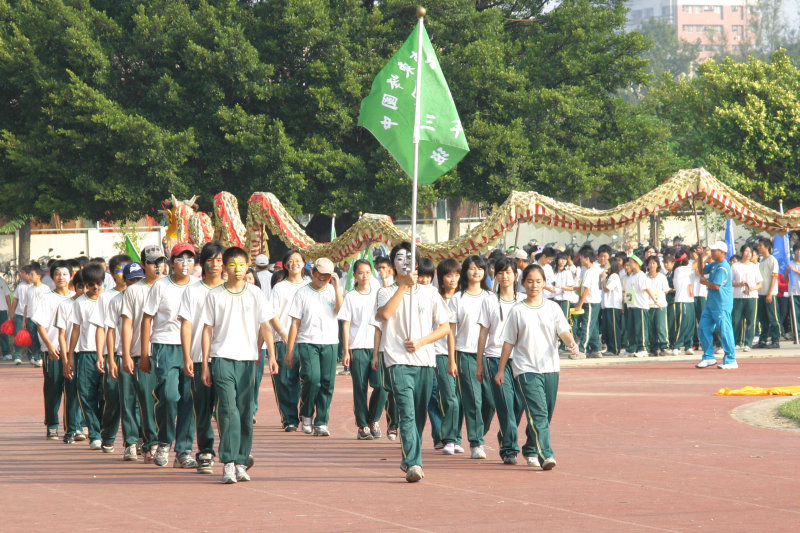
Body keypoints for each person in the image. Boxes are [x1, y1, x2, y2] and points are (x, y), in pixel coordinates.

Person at [373, 242, 451, 482]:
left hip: (425, 361)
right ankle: (415, 464)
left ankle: (408, 456)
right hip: (397, 360)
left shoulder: (430, 293)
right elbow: (385, 314)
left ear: (416, 263)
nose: (404, 262)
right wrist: (404, 287)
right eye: (399, 258)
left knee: (418, 416)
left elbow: (445, 327)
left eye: (409, 259)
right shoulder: (385, 292)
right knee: (406, 413)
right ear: (393, 264)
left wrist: (422, 341)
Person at [201, 246, 278, 484]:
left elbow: (266, 326)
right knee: (228, 409)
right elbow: (207, 330)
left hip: (247, 360)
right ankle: (229, 462)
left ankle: (242, 461)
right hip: (222, 358)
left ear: (247, 267)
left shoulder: (255, 294)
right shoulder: (215, 295)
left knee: (245, 412)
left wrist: (272, 355)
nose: (237, 269)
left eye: (241, 265)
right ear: (225, 267)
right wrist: (205, 364)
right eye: (232, 265)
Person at [495, 264, 579, 471]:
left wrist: (571, 342)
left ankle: (531, 448)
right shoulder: (518, 310)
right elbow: (508, 342)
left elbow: (563, 331)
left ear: (544, 283)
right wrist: (501, 369)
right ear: (523, 283)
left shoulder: (553, 308)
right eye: (530, 281)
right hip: (526, 369)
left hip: (550, 367)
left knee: (545, 413)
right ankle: (546, 454)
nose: (534, 285)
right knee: (538, 413)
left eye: (538, 281)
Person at [140, 242, 199, 468]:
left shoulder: (198, 286)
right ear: (171, 263)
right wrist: (144, 353)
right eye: (180, 259)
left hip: (192, 348)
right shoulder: (161, 286)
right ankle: (164, 441)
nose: (185, 264)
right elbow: (147, 318)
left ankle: (184, 450)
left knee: (188, 399)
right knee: (169, 395)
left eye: (190, 259)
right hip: (165, 345)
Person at [476, 257, 536, 465]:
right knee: (504, 403)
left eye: (508, 272)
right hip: (495, 357)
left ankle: (505, 434)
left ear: (516, 275)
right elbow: (483, 332)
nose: (504, 276)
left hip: (521, 357)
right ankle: (510, 449)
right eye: (500, 272)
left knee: (519, 404)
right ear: (495, 275)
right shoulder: (489, 301)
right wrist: (479, 362)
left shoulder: (524, 299)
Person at [178, 241, 226, 473]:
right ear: (203, 263)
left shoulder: (231, 289)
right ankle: (205, 451)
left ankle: (232, 450)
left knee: (228, 407)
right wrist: (187, 355)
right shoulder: (192, 291)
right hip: (200, 358)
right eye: (210, 260)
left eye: (219, 260)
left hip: (227, 356)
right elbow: (186, 324)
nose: (215, 265)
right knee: (203, 407)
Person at [285, 257, 343, 436]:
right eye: (319, 274)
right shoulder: (302, 293)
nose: (322, 278)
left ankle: (322, 421)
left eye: (327, 276)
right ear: (313, 272)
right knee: (312, 378)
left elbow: (340, 311)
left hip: (330, 342)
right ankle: (307, 413)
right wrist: (289, 350)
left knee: (327, 382)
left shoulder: (333, 291)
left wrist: (337, 287)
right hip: (307, 341)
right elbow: (295, 323)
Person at [121, 244, 166, 461]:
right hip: (142, 353)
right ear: (142, 265)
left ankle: (167, 441)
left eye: (161, 262)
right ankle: (152, 442)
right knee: (147, 400)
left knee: (170, 399)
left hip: (169, 350)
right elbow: (127, 324)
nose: (157, 267)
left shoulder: (172, 287)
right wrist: (127, 354)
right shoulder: (133, 291)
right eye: (152, 263)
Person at [449, 255, 495, 460]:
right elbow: (451, 331)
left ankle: (478, 431)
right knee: (474, 400)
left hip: (489, 355)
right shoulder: (457, 298)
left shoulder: (491, 297)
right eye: (472, 268)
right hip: (465, 353)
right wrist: (452, 359)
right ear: (465, 271)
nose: (476, 272)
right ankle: (476, 443)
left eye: (480, 268)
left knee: (490, 401)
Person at [338, 259, 385, 440]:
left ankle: (373, 419)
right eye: (360, 273)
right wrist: (346, 350)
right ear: (355, 275)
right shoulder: (351, 296)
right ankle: (362, 425)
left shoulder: (378, 294)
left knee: (381, 386)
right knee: (360, 387)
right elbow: (346, 324)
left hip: (377, 347)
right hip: (357, 347)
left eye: (367, 272)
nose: (364, 276)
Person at [89, 254, 131, 454]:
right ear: (112, 274)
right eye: (119, 270)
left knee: (135, 399)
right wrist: (101, 355)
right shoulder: (106, 297)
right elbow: (101, 328)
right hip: (113, 354)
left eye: (127, 269)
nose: (124, 274)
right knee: (112, 397)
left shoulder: (139, 293)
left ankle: (135, 440)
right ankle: (108, 435)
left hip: (134, 353)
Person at [31, 260, 76, 440]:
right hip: (54, 351)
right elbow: (40, 325)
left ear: (71, 276)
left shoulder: (76, 298)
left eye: (64, 274)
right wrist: (49, 346)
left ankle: (73, 427)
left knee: (73, 389)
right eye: (57, 274)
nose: (61, 277)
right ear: (52, 277)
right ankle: (52, 425)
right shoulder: (47, 298)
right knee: (53, 388)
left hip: (73, 352)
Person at [106, 262, 146, 460]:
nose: (135, 283)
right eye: (131, 280)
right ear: (125, 280)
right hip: (125, 356)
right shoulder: (116, 301)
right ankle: (130, 442)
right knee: (128, 400)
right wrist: (112, 359)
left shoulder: (150, 297)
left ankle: (145, 439)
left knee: (146, 400)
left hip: (146, 356)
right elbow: (111, 331)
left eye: (139, 279)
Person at [65, 263, 105, 450]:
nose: (95, 287)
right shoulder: (79, 303)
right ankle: (95, 433)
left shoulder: (108, 299)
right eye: (90, 284)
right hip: (86, 353)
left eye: (99, 283)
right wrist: (70, 356)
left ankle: (104, 429)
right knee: (86, 393)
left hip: (108, 353)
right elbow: (75, 330)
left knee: (105, 395)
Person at [268, 250, 309, 431]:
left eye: (298, 260)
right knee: (285, 380)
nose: (294, 264)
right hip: (283, 339)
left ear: (304, 264)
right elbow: (272, 314)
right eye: (290, 261)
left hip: (306, 339)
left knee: (309, 379)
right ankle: (289, 418)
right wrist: (283, 333)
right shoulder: (280, 287)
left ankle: (306, 412)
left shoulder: (309, 285)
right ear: (285, 265)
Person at [432, 258, 463, 455]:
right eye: (449, 275)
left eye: (456, 275)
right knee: (450, 397)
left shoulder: (463, 297)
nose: (453, 279)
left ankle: (456, 437)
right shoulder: (435, 298)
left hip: (464, 352)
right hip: (441, 352)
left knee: (461, 398)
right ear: (441, 277)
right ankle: (449, 438)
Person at [55, 270, 87, 443]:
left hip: (88, 352)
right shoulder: (65, 305)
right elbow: (62, 334)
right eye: (80, 286)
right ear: (74, 286)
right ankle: (71, 429)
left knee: (87, 390)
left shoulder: (94, 303)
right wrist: (66, 358)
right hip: (71, 352)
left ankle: (84, 426)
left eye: (87, 286)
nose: (84, 290)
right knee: (71, 390)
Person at [695, 242, 736, 369]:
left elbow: (716, 285)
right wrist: (700, 256)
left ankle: (731, 359)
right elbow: (702, 270)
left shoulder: (723, 267)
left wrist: (705, 282)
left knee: (725, 331)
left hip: (722, 305)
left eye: (714, 251)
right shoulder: (714, 264)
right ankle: (708, 357)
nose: (712, 253)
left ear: (722, 252)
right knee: (703, 328)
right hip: (711, 304)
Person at [573, 248, 603, 358]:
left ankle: (582, 350)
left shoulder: (590, 271)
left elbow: (586, 290)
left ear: (587, 259)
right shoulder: (593, 270)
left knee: (587, 326)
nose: (580, 259)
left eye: (582, 258)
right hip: (594, 301)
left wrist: (580, 303)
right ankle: (596, 349)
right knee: (593, 326)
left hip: (590, 301)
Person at [732, 244, 762, 352]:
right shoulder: (735, 266)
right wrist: (740, 284)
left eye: (750, 252)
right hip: (738, 296)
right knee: (736, 320)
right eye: (746, 251)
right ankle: (736, 342)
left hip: (751, 297)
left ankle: (748, 343)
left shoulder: (754, 266)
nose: (748, 253)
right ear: (741, 253)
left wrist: (752, 288)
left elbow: (760, 283)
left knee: (751, 321)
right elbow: (730, 282)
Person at [20, 262, 51, 367]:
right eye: (29, 274)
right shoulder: (29, 289)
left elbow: (48, 304)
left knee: (42, 338)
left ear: (39, 275)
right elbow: (26, 305)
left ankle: (43, 357)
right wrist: (24, 320)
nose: (30, 276)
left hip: (41, 318)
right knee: (33, 339)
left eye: (32, 274)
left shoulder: (45, 289)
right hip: (30, 317)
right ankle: (37, 357)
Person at [756, 237, 781, 349]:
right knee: (763, 319)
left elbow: (774, 277)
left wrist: (770, 293)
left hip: (770, 294)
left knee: (773, 318)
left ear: (767, 247)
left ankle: (776, 340)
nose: (758, 247)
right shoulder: (761, 261)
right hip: (761, 293)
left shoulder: (772, 260)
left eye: (760, 245)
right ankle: (763, 340)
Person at [671, 249, 696, 355]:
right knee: (682, 324)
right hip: (681, 300)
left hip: (690, 299)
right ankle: (676, 346)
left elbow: (698, 267)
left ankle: (688, 346)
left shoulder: (688, 269)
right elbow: (694, 266)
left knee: (691, 324)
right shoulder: (679, 270)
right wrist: (702, 255)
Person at [644, 256, 669, 355]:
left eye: (654, 263)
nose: (652, 265)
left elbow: (666, 290)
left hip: (660, 305)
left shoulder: (662, 277)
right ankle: (653, 347)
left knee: (661, 326)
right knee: (650, 327)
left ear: (657, 264)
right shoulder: (645, 277)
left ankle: (664, 346)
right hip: (648, 305)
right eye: (650, 263)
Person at [601, 258, 623, 356]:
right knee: (607, 328)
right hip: (606, 305)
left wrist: (604, 278)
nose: (605, 264)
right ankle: (610, 348)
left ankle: (615, 348)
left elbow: (607, 289)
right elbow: (600, 287)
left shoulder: (614, 276)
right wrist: (602, 278)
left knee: (613, 328)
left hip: (613, 306)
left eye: (607, 263)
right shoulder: (608, 276)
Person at [10, 266, 30, 364]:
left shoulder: (36, 287)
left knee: (32, 335)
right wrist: (12, 312)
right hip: (20, 314)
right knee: (18, 335)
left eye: (23, 273)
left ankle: (33, 355)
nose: (21, 275)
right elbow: (15, 300)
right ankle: (17, 355)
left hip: (31, 315)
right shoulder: (20, 286)